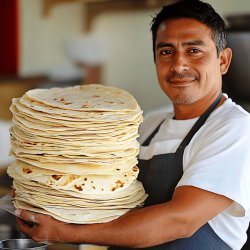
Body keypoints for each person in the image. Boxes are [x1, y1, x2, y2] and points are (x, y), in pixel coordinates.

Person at [15, 0, 250, 249]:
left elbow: (180, 221)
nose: (178, 65)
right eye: (166, 51)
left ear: (223, 60)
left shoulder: (235, 129)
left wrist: (66, 233)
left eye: (194, 50)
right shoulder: (146, 124)